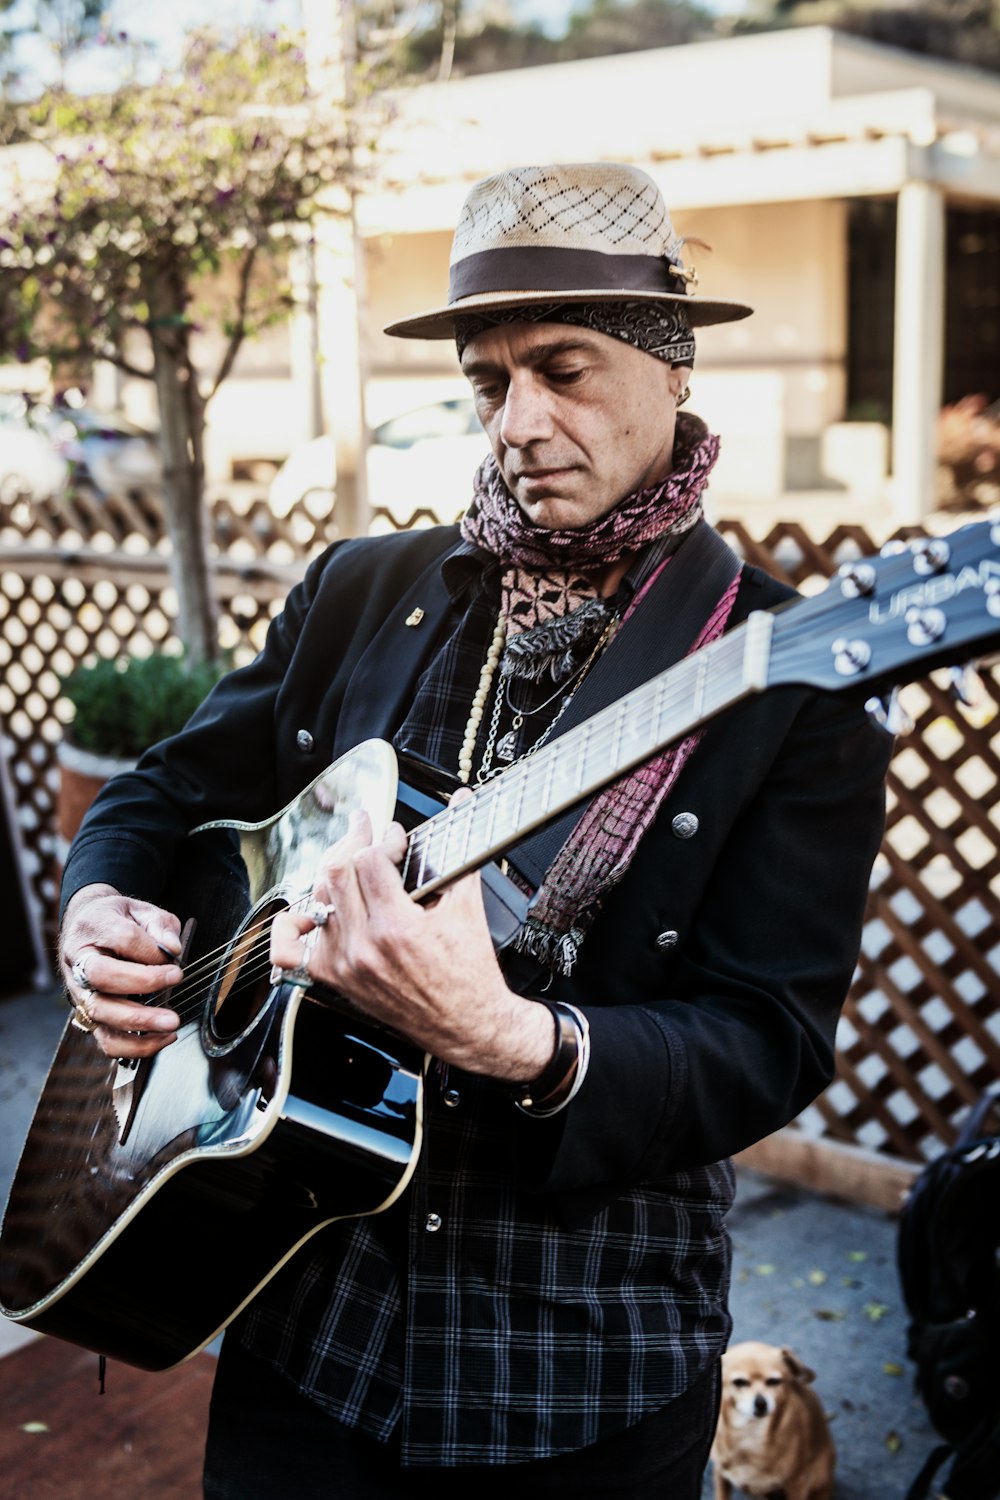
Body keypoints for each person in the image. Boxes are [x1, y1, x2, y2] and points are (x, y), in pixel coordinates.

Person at [57, 162, 892, 1499]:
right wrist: (96, 906)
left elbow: (767, 1040)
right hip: (305, 1325)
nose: (521, 421)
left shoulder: (790, 675)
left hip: (578, 1369)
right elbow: (161, 788)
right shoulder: (362, 590)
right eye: (490, 383)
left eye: (564, 369)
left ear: (675, 372)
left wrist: (513, 1039)